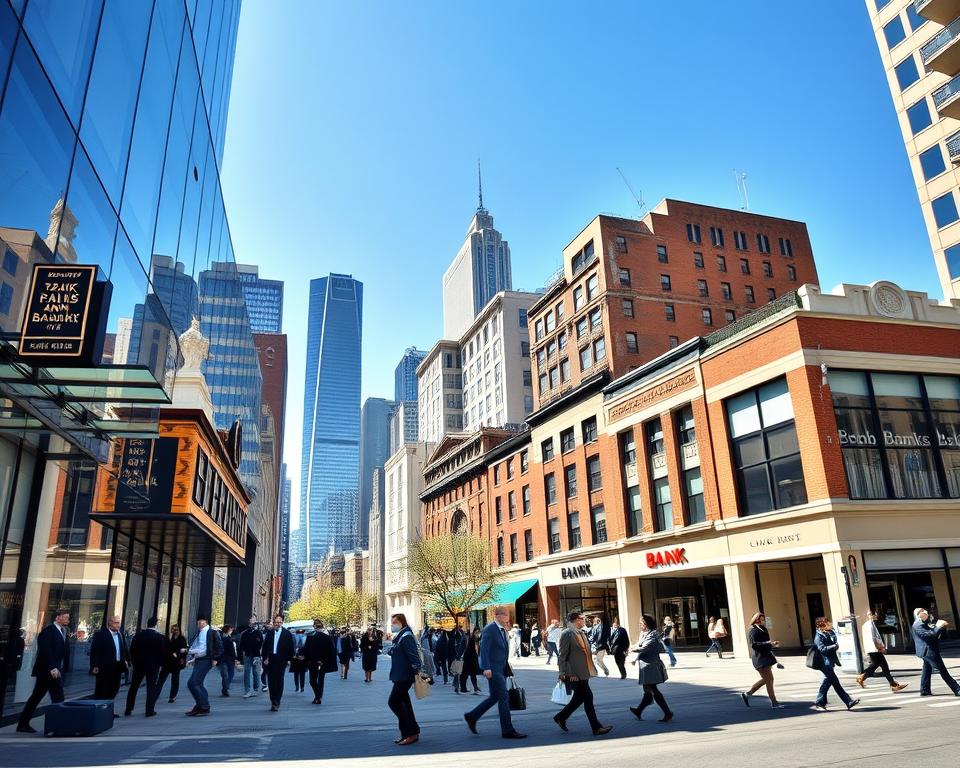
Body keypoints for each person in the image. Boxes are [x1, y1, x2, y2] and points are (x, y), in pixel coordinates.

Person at [463, 606, 526, 740]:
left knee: (495, 697)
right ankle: (507, 730)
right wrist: (486, 667)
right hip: (493, 669)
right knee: (504, 697)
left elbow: (502, 650)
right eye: (506, 615)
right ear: (499, 616)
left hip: (500, 668)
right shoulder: (490, 629)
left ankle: (472, 716)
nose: (508, 617)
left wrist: (507, 666)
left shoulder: (502, 629)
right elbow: (484, 649)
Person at [554, 611, 612, 736]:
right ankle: (596, 728)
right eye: (582, 618)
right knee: (588, 699)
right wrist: (566, 673)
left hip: (583, 672)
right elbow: (562, 656)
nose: (585, 620)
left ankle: (561, 717)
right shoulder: (567, 633)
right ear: (576, 620)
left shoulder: (581, 633)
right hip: (574, 674)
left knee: (579, 698)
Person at [16, 609, 70, 733]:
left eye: (68, 617)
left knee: (37, 697)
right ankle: (58, 726)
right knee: (58, 698)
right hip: (48, 671)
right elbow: (46, 651)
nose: (68, 619)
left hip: (54, 670)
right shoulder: (48, 631)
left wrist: (63, 667)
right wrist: (53, 667)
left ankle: (23, 723)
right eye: (65, 617)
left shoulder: (63, 631)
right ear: (58, 618)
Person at [629, 614, 673, 722]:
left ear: (646, 624)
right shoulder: (643, 633)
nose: (640, 625)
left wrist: (633, 650)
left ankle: (668, 713)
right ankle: (639, 710)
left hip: (651, 665)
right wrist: (633, 647)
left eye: (641, 623)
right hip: (645, 664)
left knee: (652, 688)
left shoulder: (653, 634)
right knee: (647, 689)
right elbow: (639, 644)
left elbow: (645, 647)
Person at [387, 613, 422, 746]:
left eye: (394, 622)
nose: (392, 625)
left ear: (402, 622)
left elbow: (413, 655)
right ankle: (412, 732)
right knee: (404, 704)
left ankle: (409, 732)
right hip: (400, 675)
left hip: (404, 676)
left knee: (394, 702)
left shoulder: (406, 636)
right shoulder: (401, 635)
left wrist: (417, 670)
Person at [811, 617, 859, 711]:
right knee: (836, 683)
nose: (830, 623)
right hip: (824, 663)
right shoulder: (818, 637)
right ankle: (848, 701)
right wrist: (834, 646)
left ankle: (820, 701)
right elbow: (822, 649)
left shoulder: (829, 633)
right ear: (822, 625)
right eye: (827, 622)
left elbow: (836, 639)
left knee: (827, 682)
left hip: (830, 662)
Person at [912, 607, 960, 696]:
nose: (925, 612)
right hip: (928, 651)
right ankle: (957, 689)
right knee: (942, 670)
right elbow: (930, 635)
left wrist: (942, 627)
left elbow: (936, 633)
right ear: (918, 615)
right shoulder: (918, 625)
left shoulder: (926, 623)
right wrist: (938, 626)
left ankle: (924, 689)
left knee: (927, 670)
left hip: (929, 650)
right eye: (922, 611)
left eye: (924, 610)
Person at [740, 612, 784, 709]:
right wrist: (769, 645)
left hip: (766, 656)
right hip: (759, 658)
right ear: (757, 620)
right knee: (769, 680)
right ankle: (774, 703)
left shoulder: (763, 628)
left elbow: (766, 642)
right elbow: (754, 645)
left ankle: (748, 694)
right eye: (762, 619)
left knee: (768, 679)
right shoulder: (752, 630)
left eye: (764, 619)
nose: (764, 621)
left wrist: (772, 644)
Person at [125, 616, 166, 717]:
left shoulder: (138, 635)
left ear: (147, 624)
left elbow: (132, 650)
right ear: (155, 625)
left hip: (139, 665)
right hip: (153, 666)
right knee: (151, 687)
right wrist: (161, 664)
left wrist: (134, 662)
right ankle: (149, 710)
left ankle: (128, 708)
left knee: (134, 686)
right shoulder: (159, 637)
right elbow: (162, 653)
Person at [856, 612, 907, 692]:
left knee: (876, 665)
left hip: (873, 649)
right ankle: (893, 685)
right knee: (884, 666)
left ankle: (862, 677)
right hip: (874, 649)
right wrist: (880, 648)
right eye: (875, 614)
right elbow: (873, 638)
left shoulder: (869, 624)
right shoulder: (869, 625)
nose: (877, 616)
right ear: (871, 615)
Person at [90, 615, 130, 715]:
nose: (118, 625)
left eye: (119, 623)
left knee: (114, 689)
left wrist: (127, 661)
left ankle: (108, 712)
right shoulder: (101, 635)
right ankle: (99, 712)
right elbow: (94, 651)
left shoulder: (120, 634)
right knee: (102, 690)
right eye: (116, 623)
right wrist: (94, 665)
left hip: (117, 667)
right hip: (104, 667)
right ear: (110, 623)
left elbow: (124, 649)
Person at [185, 615, 223, 716]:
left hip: (206, 660)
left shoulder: (212, 632)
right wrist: (193, 659)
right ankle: (201, 706)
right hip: (199, 660)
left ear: (206, 622)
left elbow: (220, 647)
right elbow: (199, 647)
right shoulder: (199, 632)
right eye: (198, 622)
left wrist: (215, 659)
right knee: (199, 684)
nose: (199, 624)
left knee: (192, 683)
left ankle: (203, 706)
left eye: (201, 622)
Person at [261, 614, 295, 711]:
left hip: (281, 660)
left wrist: (289, 660)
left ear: (282, 622)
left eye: (280, 622)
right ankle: (273, 700)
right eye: (276, 622)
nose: (278, 624)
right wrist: (265, 658)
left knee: (279, 680)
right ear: (274, 622)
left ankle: (277, 701)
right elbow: (265, 646)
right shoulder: (270, 633)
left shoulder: (287, 634)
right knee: (271, 681)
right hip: (271, 659)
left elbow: (291, 648)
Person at [304, 619, 337, 704]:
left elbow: (331, 651)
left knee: (319, 680)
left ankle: (318, 697)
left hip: (320, 662)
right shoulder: (311, 636)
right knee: (314, 681)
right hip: (314, 662)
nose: (317, 627)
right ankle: (318, 696)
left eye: (318, 625)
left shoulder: (326, 637)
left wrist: (324, 660)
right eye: (316, 625)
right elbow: (306, 648)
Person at [157, 624, 188, 703]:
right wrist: (174, 652)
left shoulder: (182, 639)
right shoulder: (167, 638)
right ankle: (155, 694)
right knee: (161, 680)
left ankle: (172, 696)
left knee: (175, 680)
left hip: (176, 662)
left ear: (179, 630)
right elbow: (164, 650)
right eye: (173, 629)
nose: (175, 631)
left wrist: (177, 653)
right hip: (167, 662)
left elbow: (184, 650)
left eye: (176, 630)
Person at [238, 617, 263, 698]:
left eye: (254, 622)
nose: (252, 624)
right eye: (251, 622)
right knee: (247, 672)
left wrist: (259, 656)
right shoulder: (245, 633)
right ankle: (247, 690)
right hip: (248, 655)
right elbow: (241, 646)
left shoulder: (258, 633)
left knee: (256, 672)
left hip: (256, 655)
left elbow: (261, 644)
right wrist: (241, 657)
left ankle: (256, 689)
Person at [459, 625, 482, 694]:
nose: (477, 634)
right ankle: (464, 688)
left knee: (471, 674)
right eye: (476, 632)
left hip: (471, 659)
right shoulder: (471, 638)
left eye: (478, 632)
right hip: (468, 659)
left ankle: (474, 688)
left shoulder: (473, 638)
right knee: (465, 674)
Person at [218, 625, 237, 696]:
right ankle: (225, 688)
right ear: (228, 630)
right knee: (228, 674)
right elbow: (232, 651)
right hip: (227, 659)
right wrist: (235, 659)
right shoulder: (229, 639)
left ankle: (225, 688)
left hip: (224, 659)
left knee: (225, 675)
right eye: (231, 630)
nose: (231, 631)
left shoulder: (221, 638)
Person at [290, 628, 307, 692]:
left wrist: (305, 657)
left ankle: (302, 687)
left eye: (301, 633)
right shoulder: (293, 640)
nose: (300, 635)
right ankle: (297, 686)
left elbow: (308, 650)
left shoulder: (306, 641)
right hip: (295, 660)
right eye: (299, 633)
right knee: (296, 674)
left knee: (302, 674)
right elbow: (291, 649)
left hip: (303, 660)